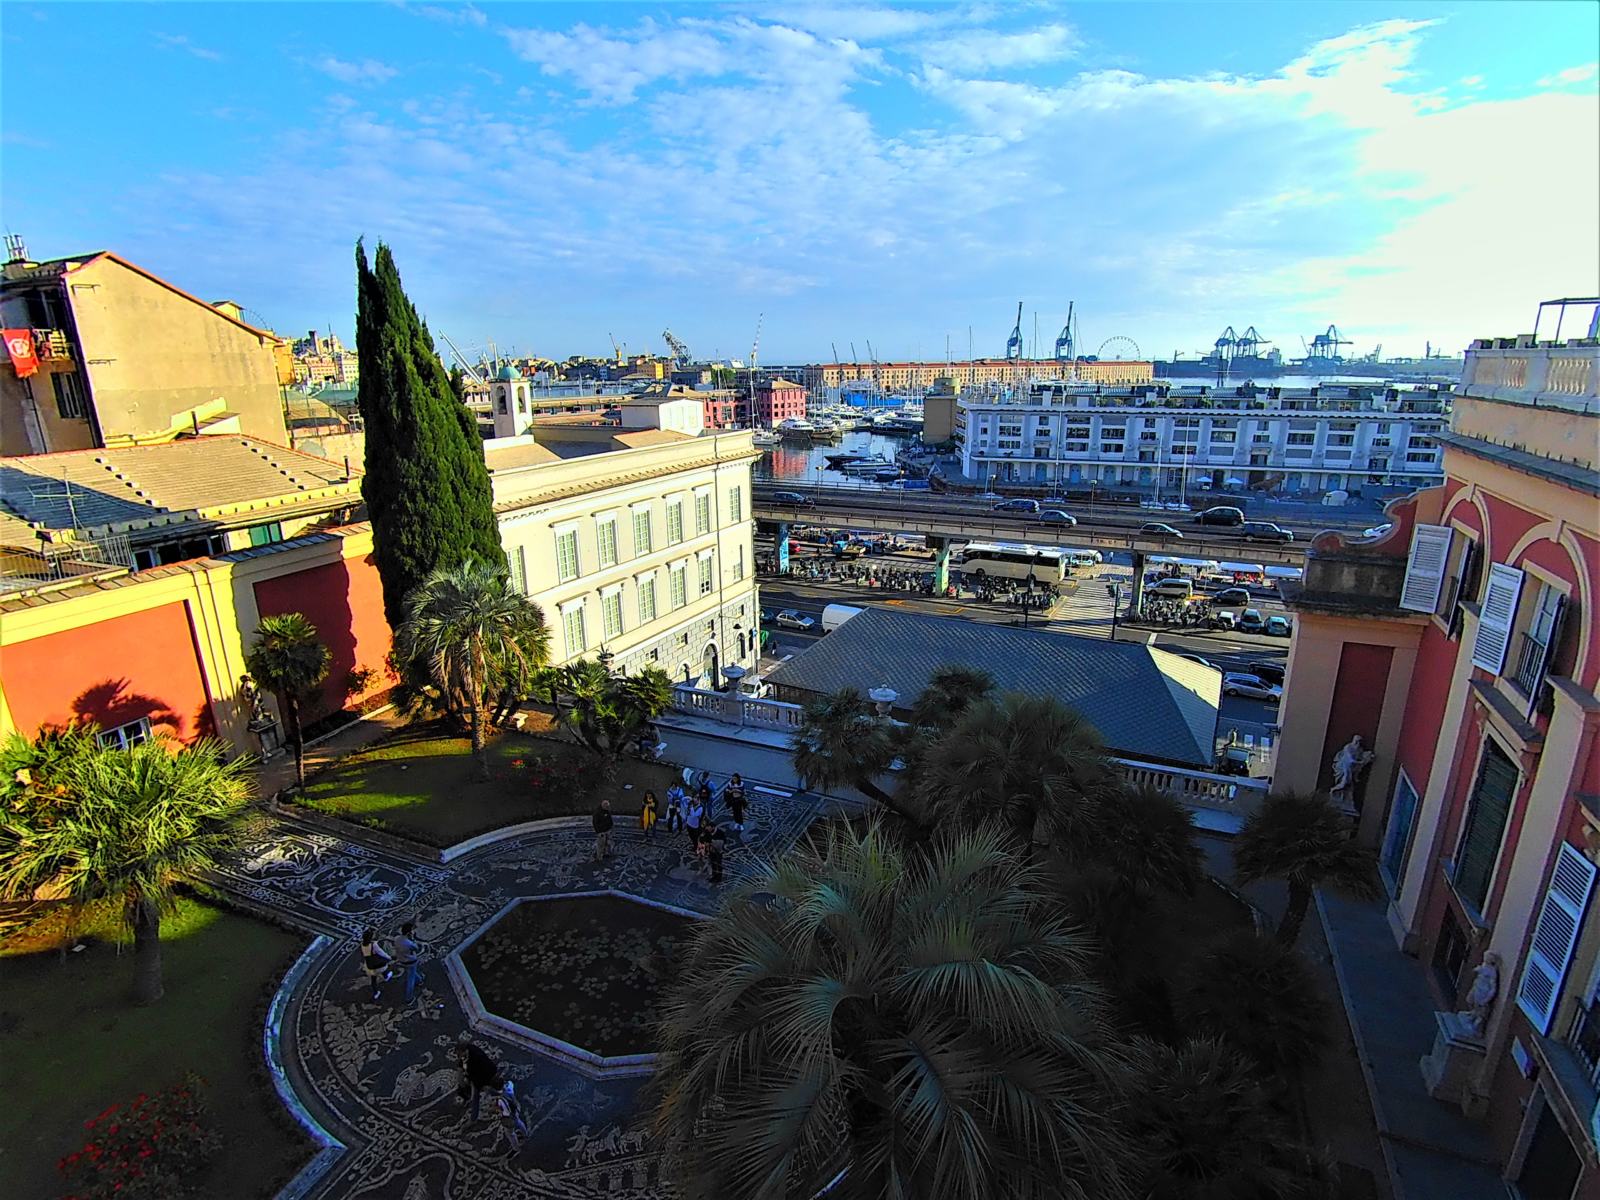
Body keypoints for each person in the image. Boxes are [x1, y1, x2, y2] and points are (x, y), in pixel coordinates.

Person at [455, 1042, 498, 1115]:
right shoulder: (467, 1051)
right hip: (476, 1075)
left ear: (464, 1051)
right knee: (464, 1085)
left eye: (459, 1054)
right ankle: (465, 1097)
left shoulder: (475, 1058)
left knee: (476, 1097)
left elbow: (477, 1076)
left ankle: (473, 1119)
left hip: (485, 1076)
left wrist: (473, 1084)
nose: (458, 1056)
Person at [391, 920, 423, 1002]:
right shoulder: (409, 943)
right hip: (410, 961)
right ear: (409, 933)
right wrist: (412, 939)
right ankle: (409, 998)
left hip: (401, 960)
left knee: (411, 972)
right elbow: (416, 948)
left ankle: (419, 980)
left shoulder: (397, 938)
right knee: (410, 978)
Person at [494, 1078, 528, 1153]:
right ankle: (525, 1134)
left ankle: (516, 1148)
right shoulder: (509, 1087)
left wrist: (497, 1110)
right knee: (519, 1122)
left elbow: (502, 1110)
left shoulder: (500, 1099)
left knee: (510, 1134)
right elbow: (510, 1083)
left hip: (509, 1116)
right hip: (515, 1109)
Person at [359, 927, 391, 1001]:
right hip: (376, 963)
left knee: (373, 980)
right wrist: (388, 957)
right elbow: (381, 952)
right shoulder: (373, 945)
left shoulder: (362, 945)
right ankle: (386, 976)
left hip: (368, 964)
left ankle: (376, 992)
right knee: (382, 968)